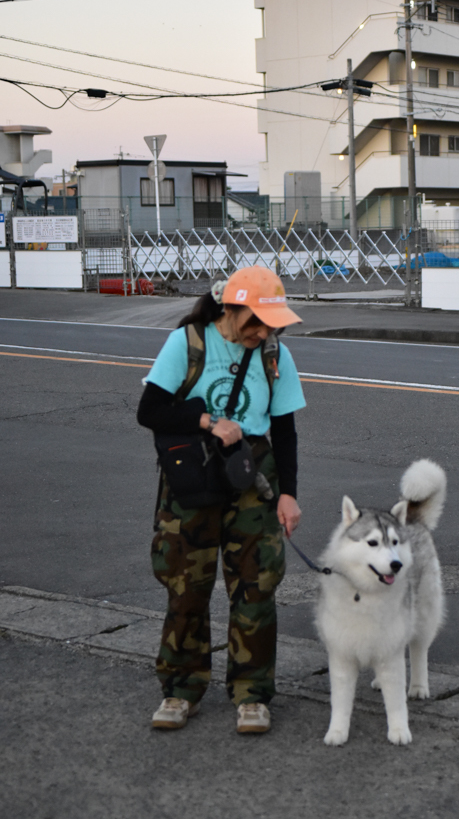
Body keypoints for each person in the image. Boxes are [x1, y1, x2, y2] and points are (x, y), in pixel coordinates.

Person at [137, 266, 305, 735]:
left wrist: (288, 494)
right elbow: (149, 411)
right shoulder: (188, 343)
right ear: (232, 309)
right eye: (257, 322)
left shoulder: (274, 354)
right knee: (186, 587)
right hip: (192, 475)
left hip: (253, 476)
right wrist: (208, 421)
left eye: (272, 324)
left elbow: (286, 431)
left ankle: (252, 695)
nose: (265, 332)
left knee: (256, 589)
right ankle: (180, 689)